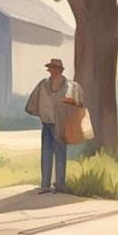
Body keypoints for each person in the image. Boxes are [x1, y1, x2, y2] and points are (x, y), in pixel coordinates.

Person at [25, 59, 84, 194]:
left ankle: (60, 184)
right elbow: (31, 105)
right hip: (46, 125)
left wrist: (68, 116)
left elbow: (78, 105)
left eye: (56, 68)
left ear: (61, 70)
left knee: (60, 154)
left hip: (61, 125)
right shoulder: (42, 84)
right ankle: (45, 184)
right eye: (51, 68)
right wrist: (42, 114)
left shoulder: (70, 86)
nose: (53, 70)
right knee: (46, 154)